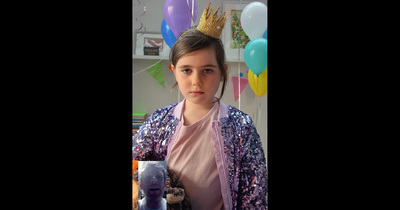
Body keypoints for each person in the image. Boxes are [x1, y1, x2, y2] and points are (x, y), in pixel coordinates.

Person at [133, 2, 267, 209]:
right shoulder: (159, 122)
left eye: (207, 70)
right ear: (173, 70)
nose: (196, 81)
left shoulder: (242, 126)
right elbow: (136, 164)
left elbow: (255, 193)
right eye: (187, 70)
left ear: (222, 72)